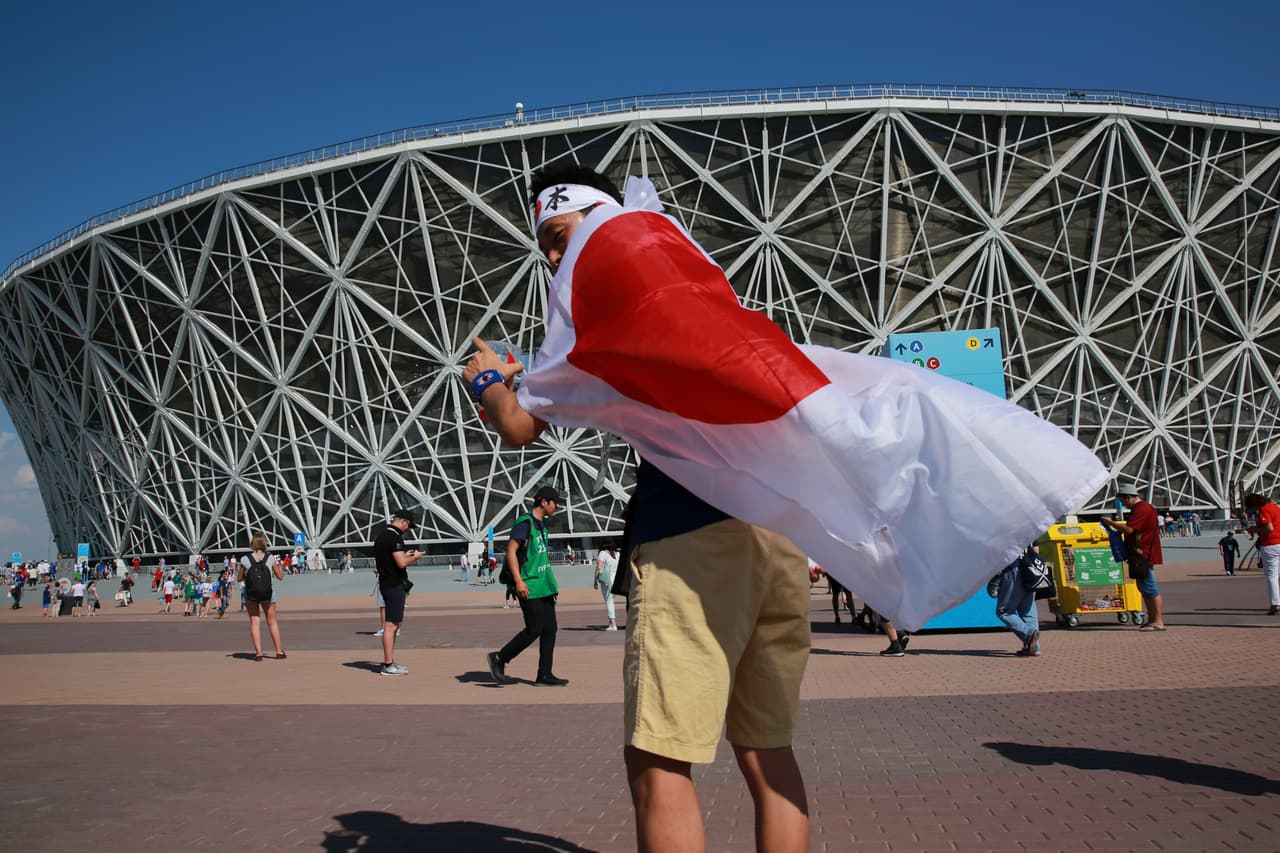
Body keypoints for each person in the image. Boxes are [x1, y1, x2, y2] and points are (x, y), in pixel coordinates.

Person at [464, 167, 811, 851]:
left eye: (560, 237)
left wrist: (483, 383)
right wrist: (524, 377)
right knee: (767, 751)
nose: (557, 260)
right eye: (547, 250)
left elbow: (519, 427)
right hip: (775, 528)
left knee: (658, 761)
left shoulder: (605, 283)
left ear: (596, 217)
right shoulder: (688, 274)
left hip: (689, 533)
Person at [487, 486, 567, 686]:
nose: (557, 507)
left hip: (545, 586)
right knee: (534, 629)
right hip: (529, 585)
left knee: (550, 629)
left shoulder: (542, 525)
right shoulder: (525, 523)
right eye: (555, 502)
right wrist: (518, 581)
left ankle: (544, 674)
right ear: (544, 502)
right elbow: (511, 551)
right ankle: (500, 658)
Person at [1101, 483, 1166, 631]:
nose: (1123, 505)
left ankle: (1158, 621)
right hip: (1141, 553)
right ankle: (1152, 619)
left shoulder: (1141, 509)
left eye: (1123, 502)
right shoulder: (1143, 508)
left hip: (1143, 554)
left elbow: (1129, 530)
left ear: (1129, 497)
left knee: (1149, 587)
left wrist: (1111, 523)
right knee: (1144, 586)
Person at [373, 509, 423, 675]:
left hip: (386, 583)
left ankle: (390, 661)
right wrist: (414, 557)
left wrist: (404, 555)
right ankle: (388, 665)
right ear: (404, 522)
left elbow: (389, 560)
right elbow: (401, 563)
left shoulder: (381, 536)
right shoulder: (395, 537)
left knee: (394, 624)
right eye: (408, 526)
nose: (407, 530)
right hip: (394, 585)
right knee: (391, 625)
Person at [237, 532, 286, 661]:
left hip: (251, 593)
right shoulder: (269, 558)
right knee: (272, 622)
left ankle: (258, 654)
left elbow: (239, 578)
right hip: (268, 593)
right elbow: (280, 577)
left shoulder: (245, 559)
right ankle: (279, 652)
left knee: (254, 621)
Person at [989, 545, 1042, 656]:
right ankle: (1034, 648)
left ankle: (1029, 634)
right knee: (1028, 611)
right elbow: (1036, 550)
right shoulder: (1028, 528)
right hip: (1032, 570)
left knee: (1004, 611)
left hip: (1013, 568)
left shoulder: (1004, 528)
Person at [1242, 493, 1280, 615]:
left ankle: (1275, 604)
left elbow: (1269, 528)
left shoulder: (1264, 509)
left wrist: (1254, 529)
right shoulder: (1276, 507)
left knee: (1272, 576)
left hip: (1271, 544)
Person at [593, 543, 620, 631]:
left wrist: (595, 580)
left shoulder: (603, 553)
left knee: (609, 601)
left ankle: (613, 624)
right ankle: (610, 624)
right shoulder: (618, 554)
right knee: (611, 600)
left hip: (607, 580)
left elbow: (598, 567)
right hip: (616, 578)